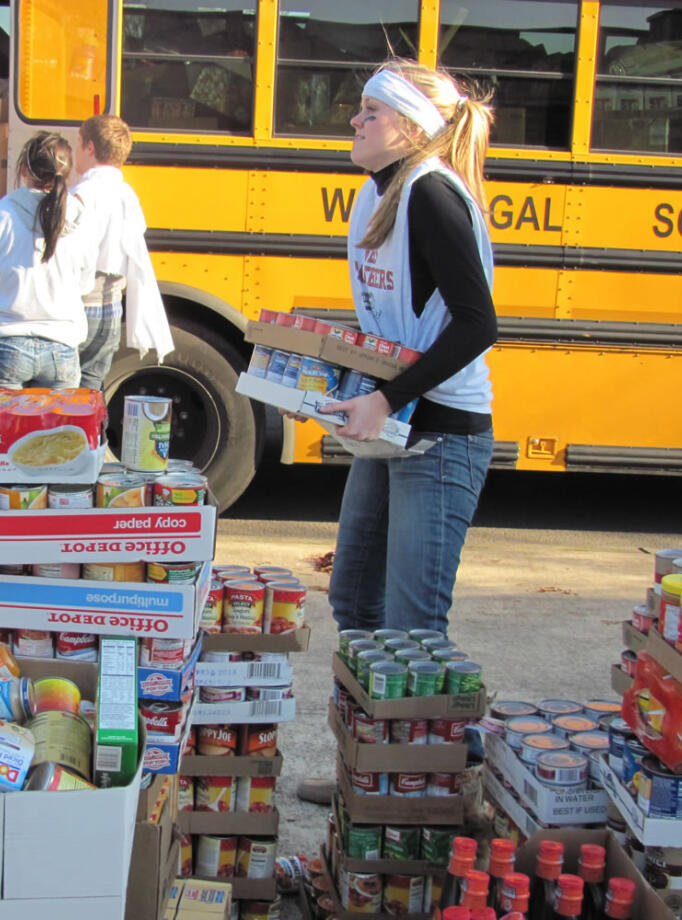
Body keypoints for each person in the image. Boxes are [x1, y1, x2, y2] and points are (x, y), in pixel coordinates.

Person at [297, 61, 498, 803]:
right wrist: (329, 377)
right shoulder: (378, 193)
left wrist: (389, 399)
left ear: (410, 129)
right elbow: (396, 326)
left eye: (369, 113)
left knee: (415, 627)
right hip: (398, 424)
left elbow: (479, 323)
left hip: (441, 434)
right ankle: (370, 769)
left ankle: (428, 778)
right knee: (353, 597)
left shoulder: (432, 194)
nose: (353, 123)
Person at [0, 131, 95, 388]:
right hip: (61, 347)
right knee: (56, 429)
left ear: (22, 170)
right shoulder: (81, 220)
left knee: (0, 429)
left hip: (3, 343)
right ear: (67, 174)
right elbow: (85, 287)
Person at [71, 114, 174, 388]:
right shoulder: (127, 194)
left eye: (78, 145)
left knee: (65, 396)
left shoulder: (81, 195)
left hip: (82, 304)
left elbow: (69, 253)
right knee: (92, 392)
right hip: (112, 306)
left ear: (90, 147)